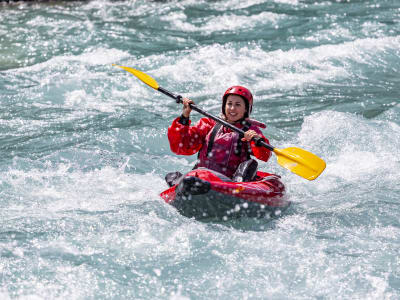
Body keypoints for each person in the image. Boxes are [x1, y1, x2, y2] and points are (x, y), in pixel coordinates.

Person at [167, 86, 272, 184]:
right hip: (204, 176)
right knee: (172, 177)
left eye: (238, 105)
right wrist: (185, 116)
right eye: (229, 104)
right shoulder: (209, 124)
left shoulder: (250, 130)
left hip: (231, 181)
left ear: (246, 109)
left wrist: (255, 141)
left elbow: (265, 156)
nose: (232, 108)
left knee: (250, 164)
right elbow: (181, 146)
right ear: (224, 106)